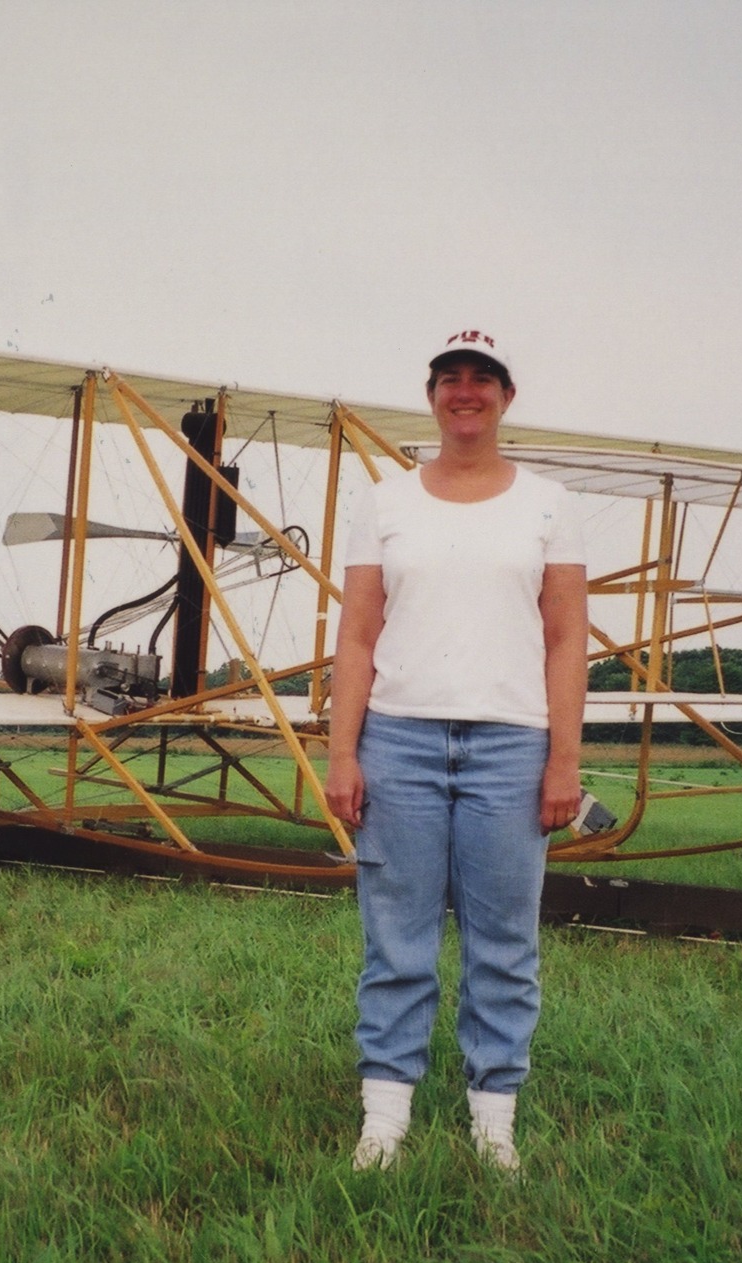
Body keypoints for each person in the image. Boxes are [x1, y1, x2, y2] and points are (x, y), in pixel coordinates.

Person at [324, 329, 588, 1172]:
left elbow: (565, 639)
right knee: (395, 937)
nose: (464, 391)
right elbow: (358, 635)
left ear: (506, 396)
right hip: (396, 738)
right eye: (449, 378)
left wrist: (563, 762)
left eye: (482, 378)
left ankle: (492, 1120)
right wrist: (342, 754)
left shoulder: (549, 501)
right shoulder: (384, 500)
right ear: (431, 394)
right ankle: (384, 1118)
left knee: (504, 942)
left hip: (512, 745)